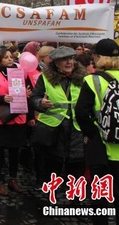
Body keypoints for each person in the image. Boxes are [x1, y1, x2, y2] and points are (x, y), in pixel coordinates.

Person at [75, 38, 119, 225]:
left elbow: (81, 113)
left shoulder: (92, 80)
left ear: (97, 57)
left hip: (102, 147)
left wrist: (94, 134)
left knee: (100, 198)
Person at [28, 46, 86, 189]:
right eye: (64, 59)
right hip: (54, 129)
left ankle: (75, 197)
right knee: (53, 165)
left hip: (77, 129)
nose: (69, 62)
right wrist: (40, 102)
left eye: (71, 58)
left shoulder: (83, 78)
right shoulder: (46, 78)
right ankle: (51, 193)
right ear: (55, 62)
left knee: (76, 165)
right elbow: (35, 97)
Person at [0, 47, 28, 195]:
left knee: (15, 151)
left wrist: (26, 94)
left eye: (11, 56)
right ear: (0, 59)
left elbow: (26, 92)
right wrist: (2, 98)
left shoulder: (19, 74)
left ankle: (13, 179)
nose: (10, 59)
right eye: (6, 57)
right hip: (0, 120)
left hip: (18, 118)